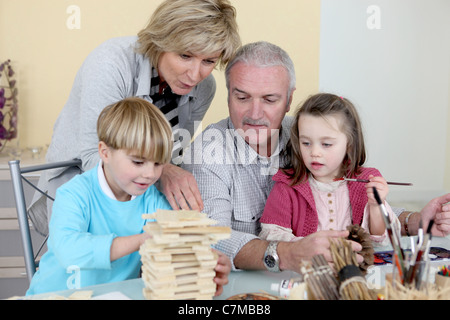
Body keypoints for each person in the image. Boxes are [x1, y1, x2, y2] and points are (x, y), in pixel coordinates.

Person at [29, 0, 241, 236]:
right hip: (82, 199)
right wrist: (165, 171)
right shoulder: (110, 63)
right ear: (162, 41)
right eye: (185, 55)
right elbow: (94, 158)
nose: (194, 74)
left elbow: (172, 155)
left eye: (209, 61)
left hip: (142, 196)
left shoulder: (204, 88)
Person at [182, 42, 365, 273]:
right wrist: (284, 254)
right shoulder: (206, 153)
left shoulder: (305, 136)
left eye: (269, 100)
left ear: (289, 100)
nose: (255, 114)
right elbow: (212, 238)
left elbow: (352, 192)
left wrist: (410, 220)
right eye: (242, 98)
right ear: (229, 96)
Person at [26, 98, 230, 296]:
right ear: (105, 153)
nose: (150, 174)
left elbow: (178, 244)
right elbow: (69, 250)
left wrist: (208, 263)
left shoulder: (153, 200)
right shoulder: (74, 193)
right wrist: (144, 239)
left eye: (158, 164)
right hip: (54, 294)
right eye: (138, 162)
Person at [259, 93, 399, 244]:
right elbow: (271, 237)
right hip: (307, 266)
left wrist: (376, 205)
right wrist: (306, 246)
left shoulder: (365, 183)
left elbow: (380, 239)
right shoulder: (287, 186)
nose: (314, 153)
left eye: (326, 144)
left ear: (349, 144)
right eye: (306, 143)